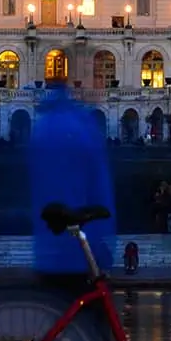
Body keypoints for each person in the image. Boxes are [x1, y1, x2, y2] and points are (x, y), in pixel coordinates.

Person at [27, 82, 114, 283]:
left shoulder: (44, 126)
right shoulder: (82, 124)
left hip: (48, 241)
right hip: (76, 243)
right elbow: (98, 181)